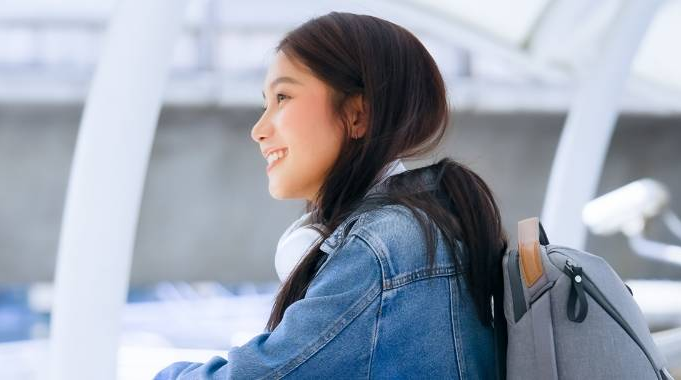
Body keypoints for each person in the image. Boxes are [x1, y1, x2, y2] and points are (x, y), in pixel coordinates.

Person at [155, 11, 508, 379]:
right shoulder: (424, 226)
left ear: (357, 115)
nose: (259, 130)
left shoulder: (382, 249)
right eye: (266, 104)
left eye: (283, 97)